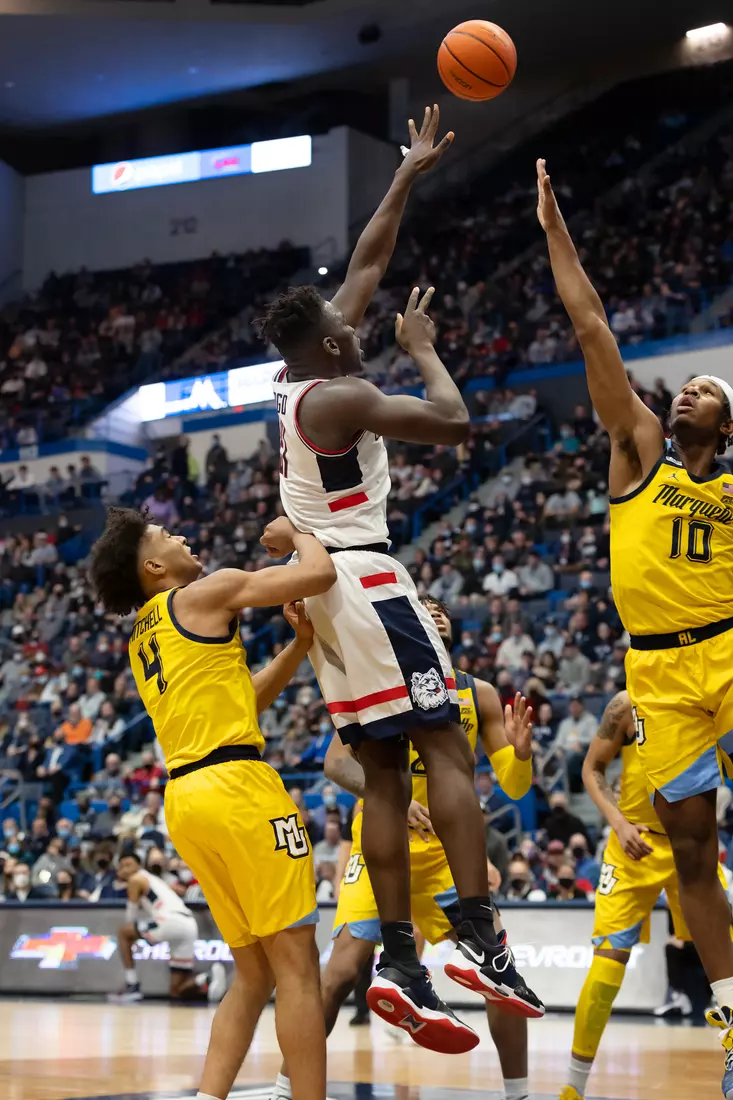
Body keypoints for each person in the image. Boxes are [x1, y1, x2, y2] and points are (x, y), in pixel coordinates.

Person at [264, 105, 541, 1048]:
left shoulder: (296, 379)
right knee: (447, 750)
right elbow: (456, 425)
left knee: (383, 779)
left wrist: (406, 175)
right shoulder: (344, 394)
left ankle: (403, 959)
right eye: (347, 322)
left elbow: (368, 266)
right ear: (334, 345)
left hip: (326, 596)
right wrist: (422, 347)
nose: (357, 315)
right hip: (367, 581)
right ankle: (475, 934)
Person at [538, 157, 733, 1095]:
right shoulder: (637, 456)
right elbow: (591, 327)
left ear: (726, 424)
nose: (688, 390)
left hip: (730, 649)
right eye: (682, 386)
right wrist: (554, 232)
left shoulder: (732, 483)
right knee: (690, 847)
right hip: (655, 675)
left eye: (707, 388)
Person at [90, 507, 336, 1100]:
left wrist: (300, 647)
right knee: (298, 968)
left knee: (251, 972)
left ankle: (207, 1098)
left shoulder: (143, 635)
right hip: (239, 790)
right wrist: (297, 532)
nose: (180, 535)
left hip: (185, 798)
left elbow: (239, 702)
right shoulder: (211, 589)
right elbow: (319, 575)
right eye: (165, 536)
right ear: (153, 565)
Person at [272, 595, 539, 1100]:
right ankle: (285, 1091)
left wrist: (522, 757)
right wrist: (387, 793)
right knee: (340, 972)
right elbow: (336, 764)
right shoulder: (374, 681)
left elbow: (517, 787)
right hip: (381, 845)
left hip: (444, 859)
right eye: (424, 606)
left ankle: (518, 1094)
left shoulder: (476, 693)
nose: (435, 611)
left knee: (500, 974)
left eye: (442, 609)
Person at [558, 691, 730, 1100]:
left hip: (691, 845)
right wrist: (618, 824)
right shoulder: (624, 705)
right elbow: (590, 768)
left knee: (726, 950)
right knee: (605, 969)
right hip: (631, 844)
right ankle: (573, 1086)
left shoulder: (710, 697)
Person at [111, 845, 227, 1005]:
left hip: (169, 921)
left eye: (129, 865)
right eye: (122, 866)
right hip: (188, 924)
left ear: (138, 866)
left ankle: (132, 985)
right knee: (176, 990)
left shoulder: (135, 879)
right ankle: (205, 979)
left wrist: (137, 933)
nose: (125, 869)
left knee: (123, 933)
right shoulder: (152, 878)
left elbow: (130, 916)